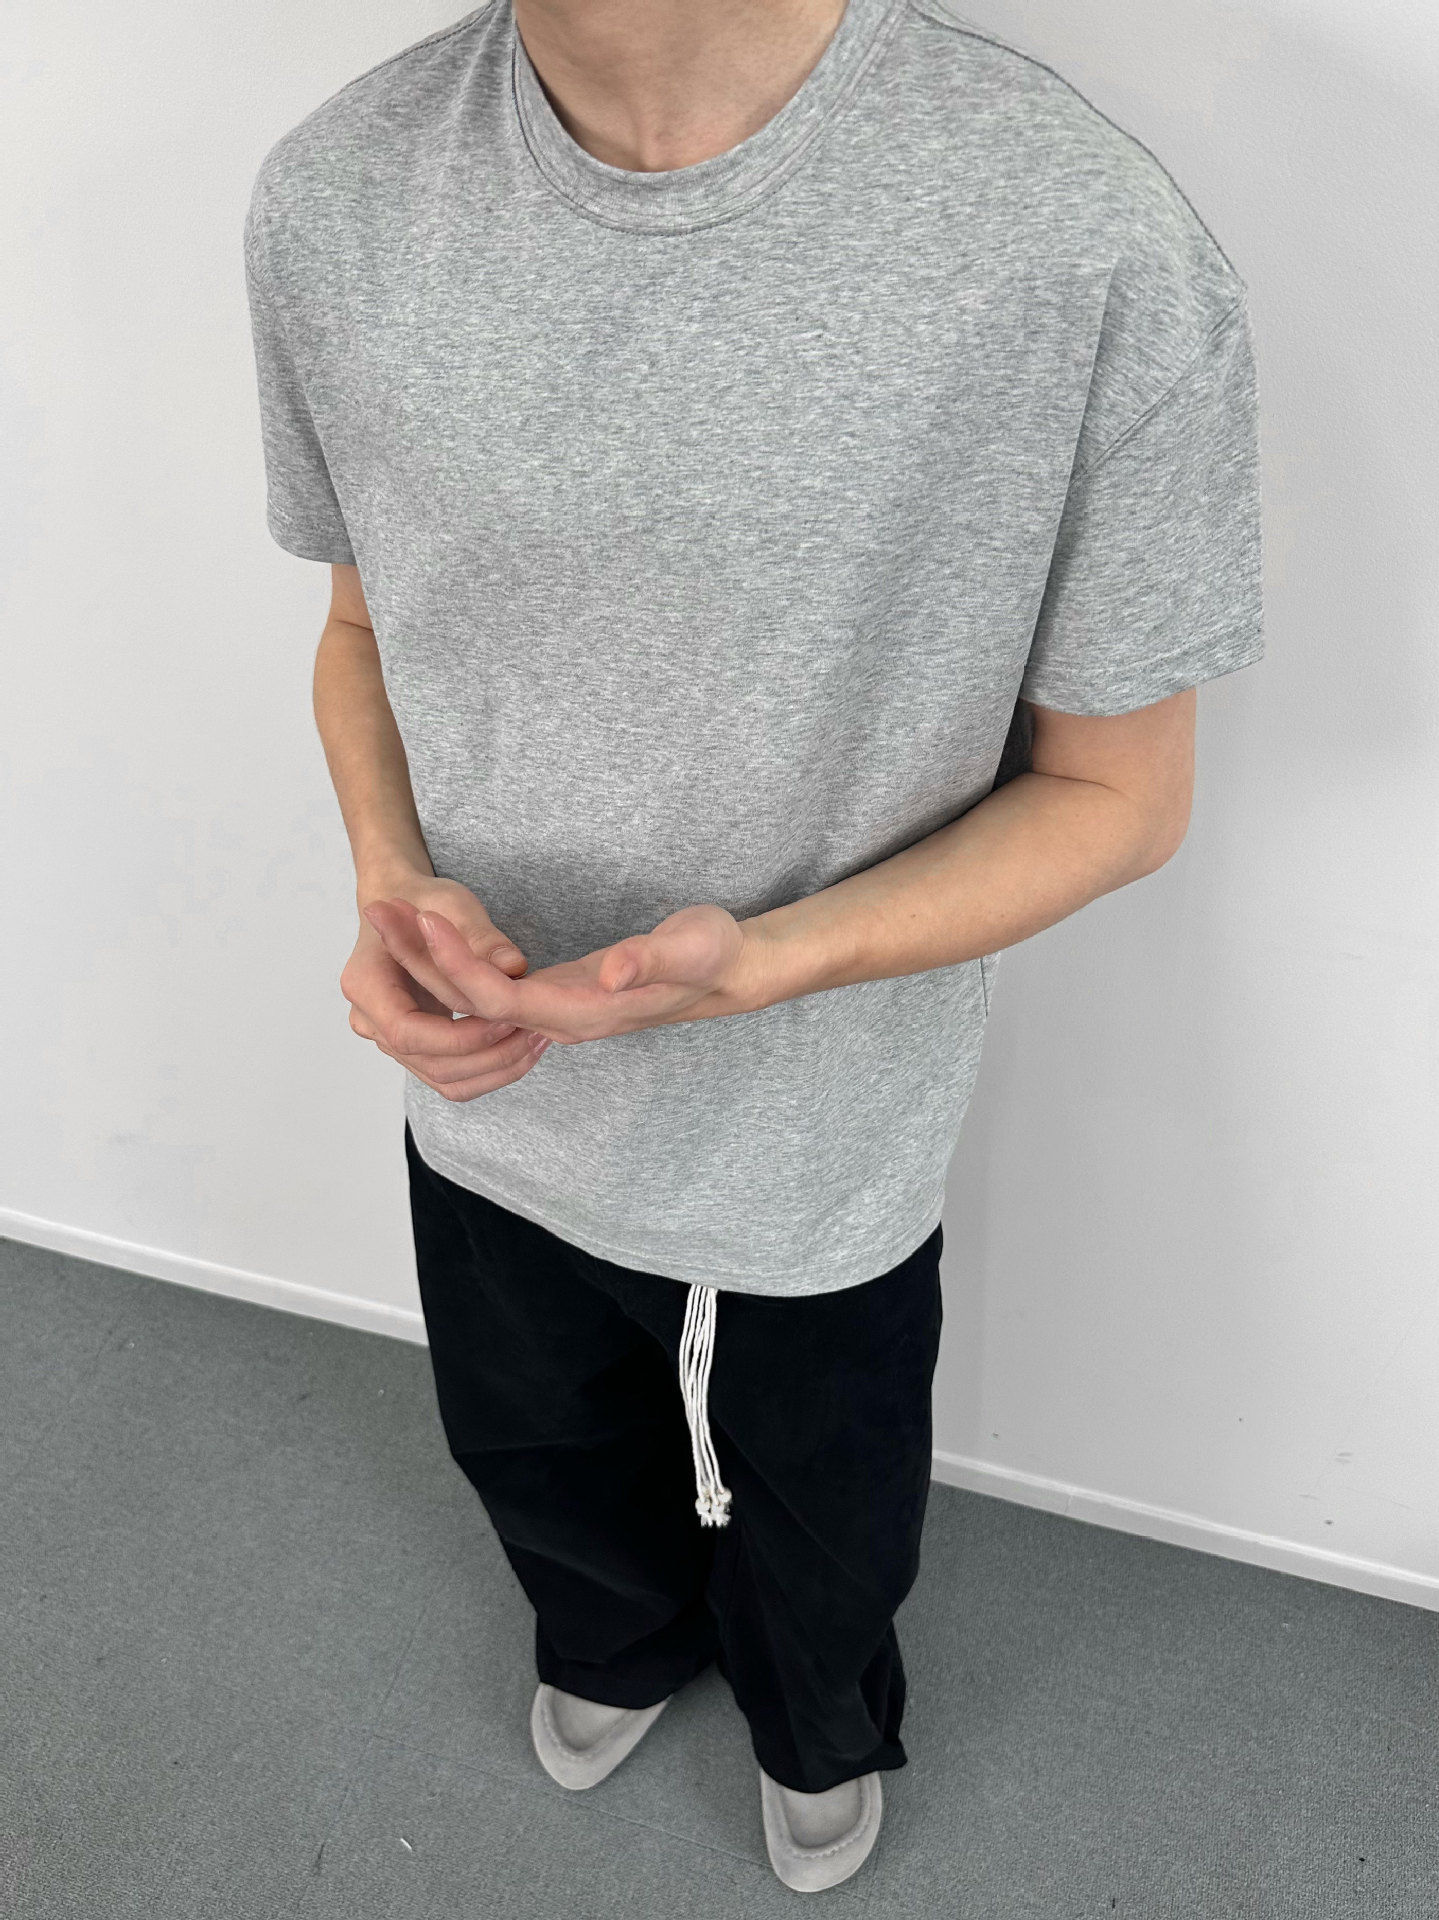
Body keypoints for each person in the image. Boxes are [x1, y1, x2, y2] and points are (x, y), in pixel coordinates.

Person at [243, 0, 1263, 1892]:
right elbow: (366, 632)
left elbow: (1120, 795)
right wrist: (390, 880)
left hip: (820, 1129)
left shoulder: (1078, 234)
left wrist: (769, 966)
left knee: (826, 1519)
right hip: (488, 1091)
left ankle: (817, 1722)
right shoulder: (338, 194)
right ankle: (613, 1640)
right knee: (532, 1446)